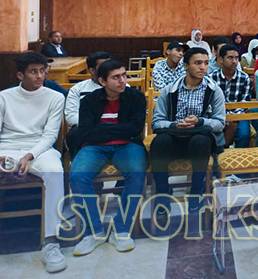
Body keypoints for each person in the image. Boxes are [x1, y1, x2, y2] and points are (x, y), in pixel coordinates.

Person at [70, 60, 147, 255]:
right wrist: (118, 130)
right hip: (94, 147)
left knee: (137, 173)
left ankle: (121, 229)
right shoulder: (89, 101)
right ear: (102, 81)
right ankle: (93, 231)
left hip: (128, 145)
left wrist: (102, 129)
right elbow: (86, 133)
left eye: (124, 75)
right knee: (77, 176)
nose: (123, 81)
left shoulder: (136, 97)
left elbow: (135, 129)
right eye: (116, 77)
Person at [0, 52, 67, 273]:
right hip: (6, 148)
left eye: (42, 71)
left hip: (39, 149)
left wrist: (29, 155)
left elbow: (50, 136)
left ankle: (51, 242)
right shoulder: (4, 97)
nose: (40, 76)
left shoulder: (55, 98)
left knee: (55, 171)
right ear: (20, 75)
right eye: (33, 72)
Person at [150, 47, 226, 213]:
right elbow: (156, 123)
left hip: (199, 137)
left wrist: (200, 121)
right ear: (185, 65)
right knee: (159, 142)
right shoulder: (170, 90)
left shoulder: (213, 90)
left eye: (206, 63)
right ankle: (162, 193)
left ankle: (196, 192)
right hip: (174, 135)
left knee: (200, 141)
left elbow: (220, 123)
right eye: (197, 63)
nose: (202, 67)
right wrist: (174, 125)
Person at [65, 52, 112, 152]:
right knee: (74, 134)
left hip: (114, 128)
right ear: (92, 70)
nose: (108, 69)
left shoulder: (122, 86)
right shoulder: (78, 89)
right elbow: (71, 118)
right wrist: (95, 124)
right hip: (87, 129)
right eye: (103, 66)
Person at [210, 44, 254, 148]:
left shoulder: (244, 78)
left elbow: (245, 102)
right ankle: (218, 155)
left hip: (239, 114)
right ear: (221, 59)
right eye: (230, 58)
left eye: (236, 58)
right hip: (218, 114)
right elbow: (210, 103)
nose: (234, 61)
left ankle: (241, 157)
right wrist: (224, 116)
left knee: (244, 134)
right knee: (210, 133)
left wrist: (232, 117)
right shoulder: (212, 78)